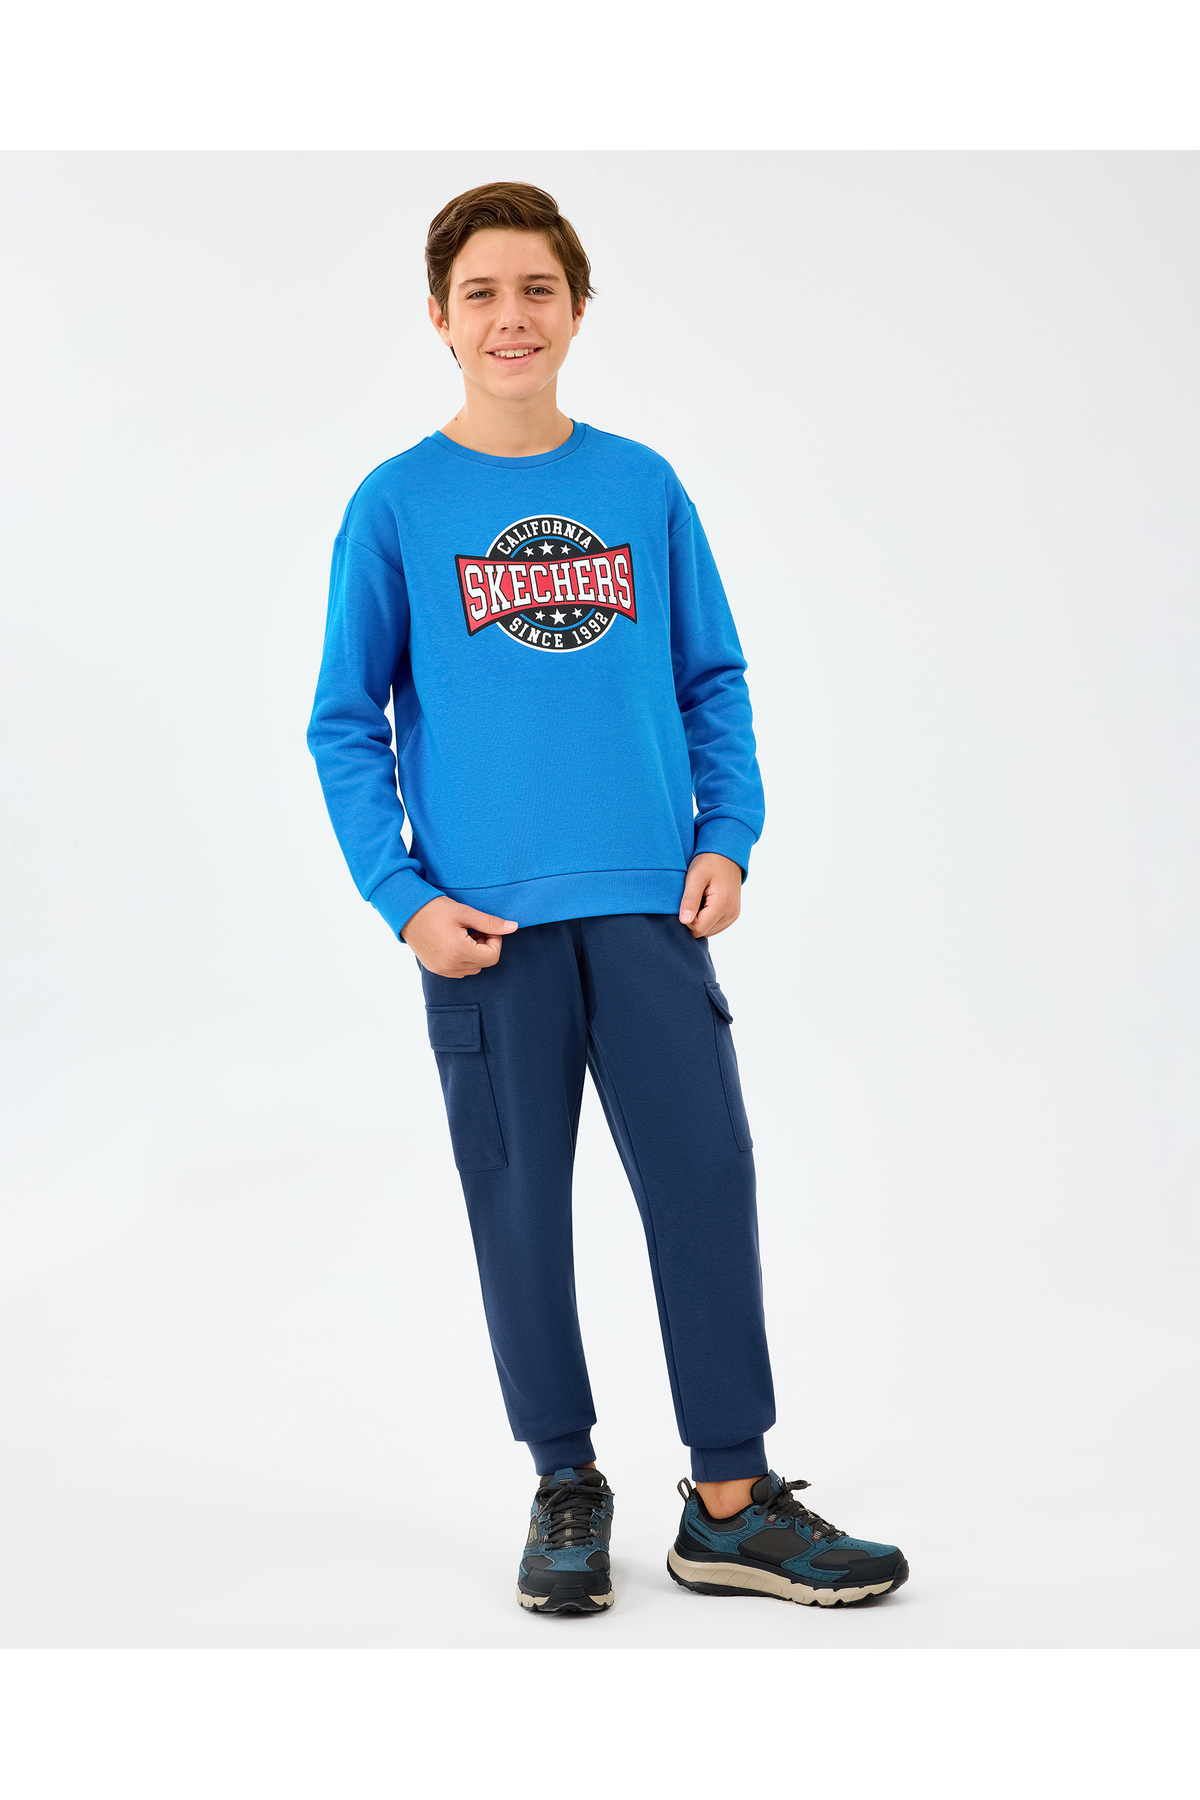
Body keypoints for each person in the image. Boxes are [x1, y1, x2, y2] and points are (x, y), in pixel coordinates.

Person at [307, 181, 908, 1614]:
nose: (510, 317)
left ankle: (731, 1502)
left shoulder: (642, 487)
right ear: (440, 320)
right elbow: (345, 722)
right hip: (486, 931)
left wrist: (728, 835)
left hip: (649, 909)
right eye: (481, 294)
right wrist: (402, 895)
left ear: (577, 309)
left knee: (703, 1183)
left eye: (537, 290)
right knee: (519, 1205)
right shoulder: (396, 506)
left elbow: (713, 677)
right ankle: (565, 1482)